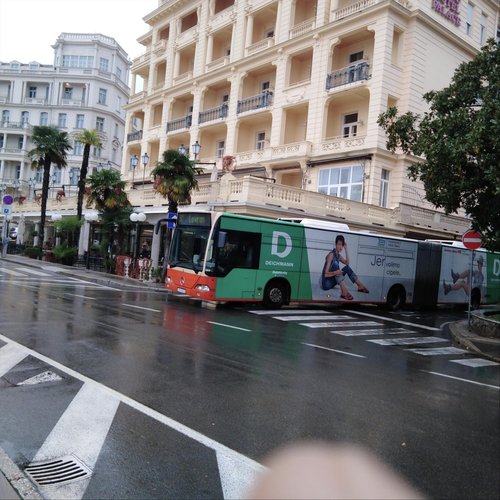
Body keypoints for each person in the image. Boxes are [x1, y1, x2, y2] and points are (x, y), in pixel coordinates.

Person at [321, 234, 369, 300]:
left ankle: (360, 286)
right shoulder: (331, 255)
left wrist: (346, 249)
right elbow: (325, 274)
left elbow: (347, 263)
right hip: (326, 283)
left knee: (347, 268)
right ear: (335, 244)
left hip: (332, 280)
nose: (341, 247)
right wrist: (335, 273)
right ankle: (344, 292)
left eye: (342, 245)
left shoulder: (338, 256)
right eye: (339, 244)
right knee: (336, 266)